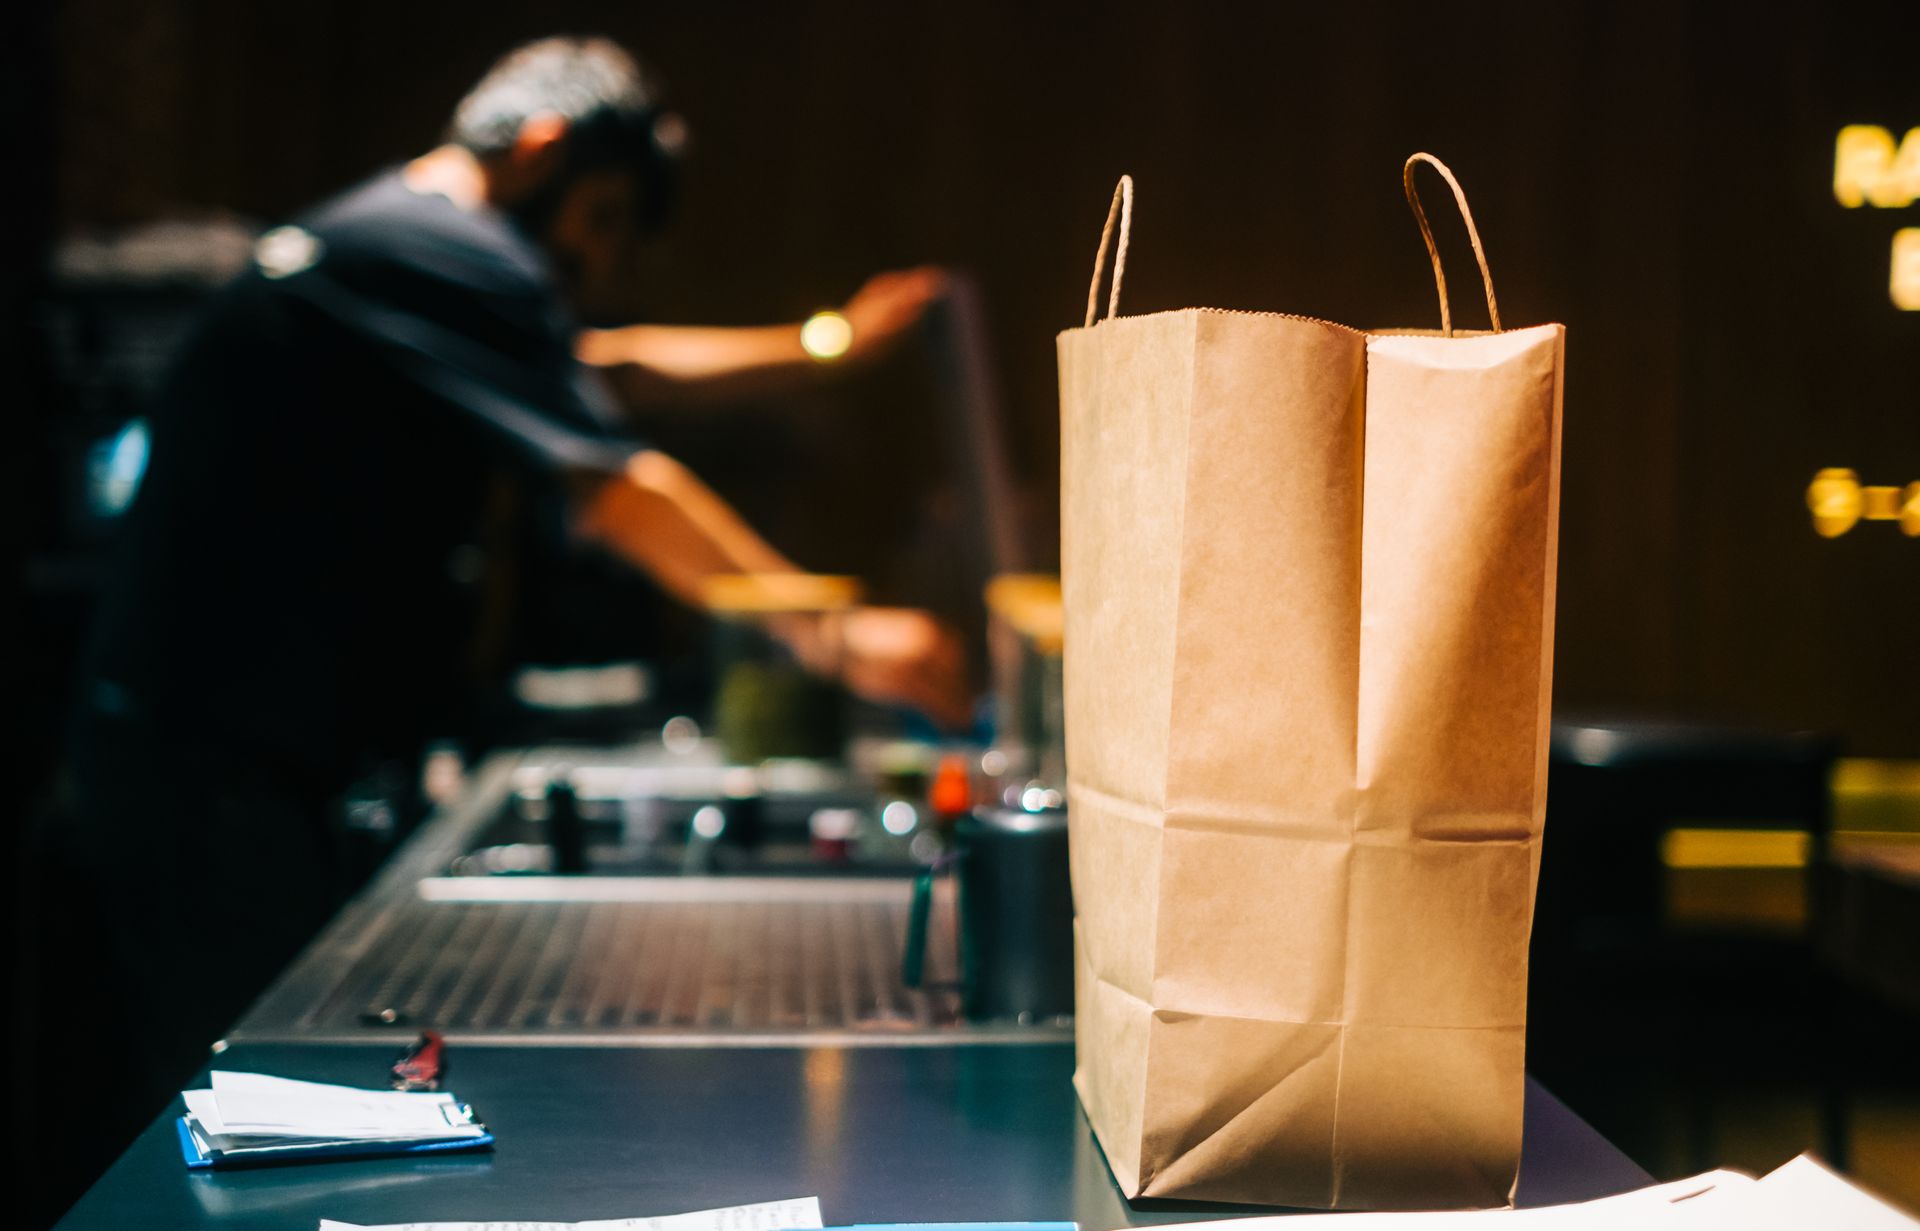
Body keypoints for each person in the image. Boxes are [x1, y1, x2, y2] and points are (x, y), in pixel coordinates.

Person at [27, 36, 966, 1220]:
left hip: (201, 755)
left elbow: (608, 368)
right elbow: (618, 481)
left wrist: (829, 345)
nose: (602, 258)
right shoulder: (440, 248)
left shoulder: (403, 242)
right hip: (201, 775)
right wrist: (835, 632)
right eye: (605, 216)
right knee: (243, 1153)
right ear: (539, 151)